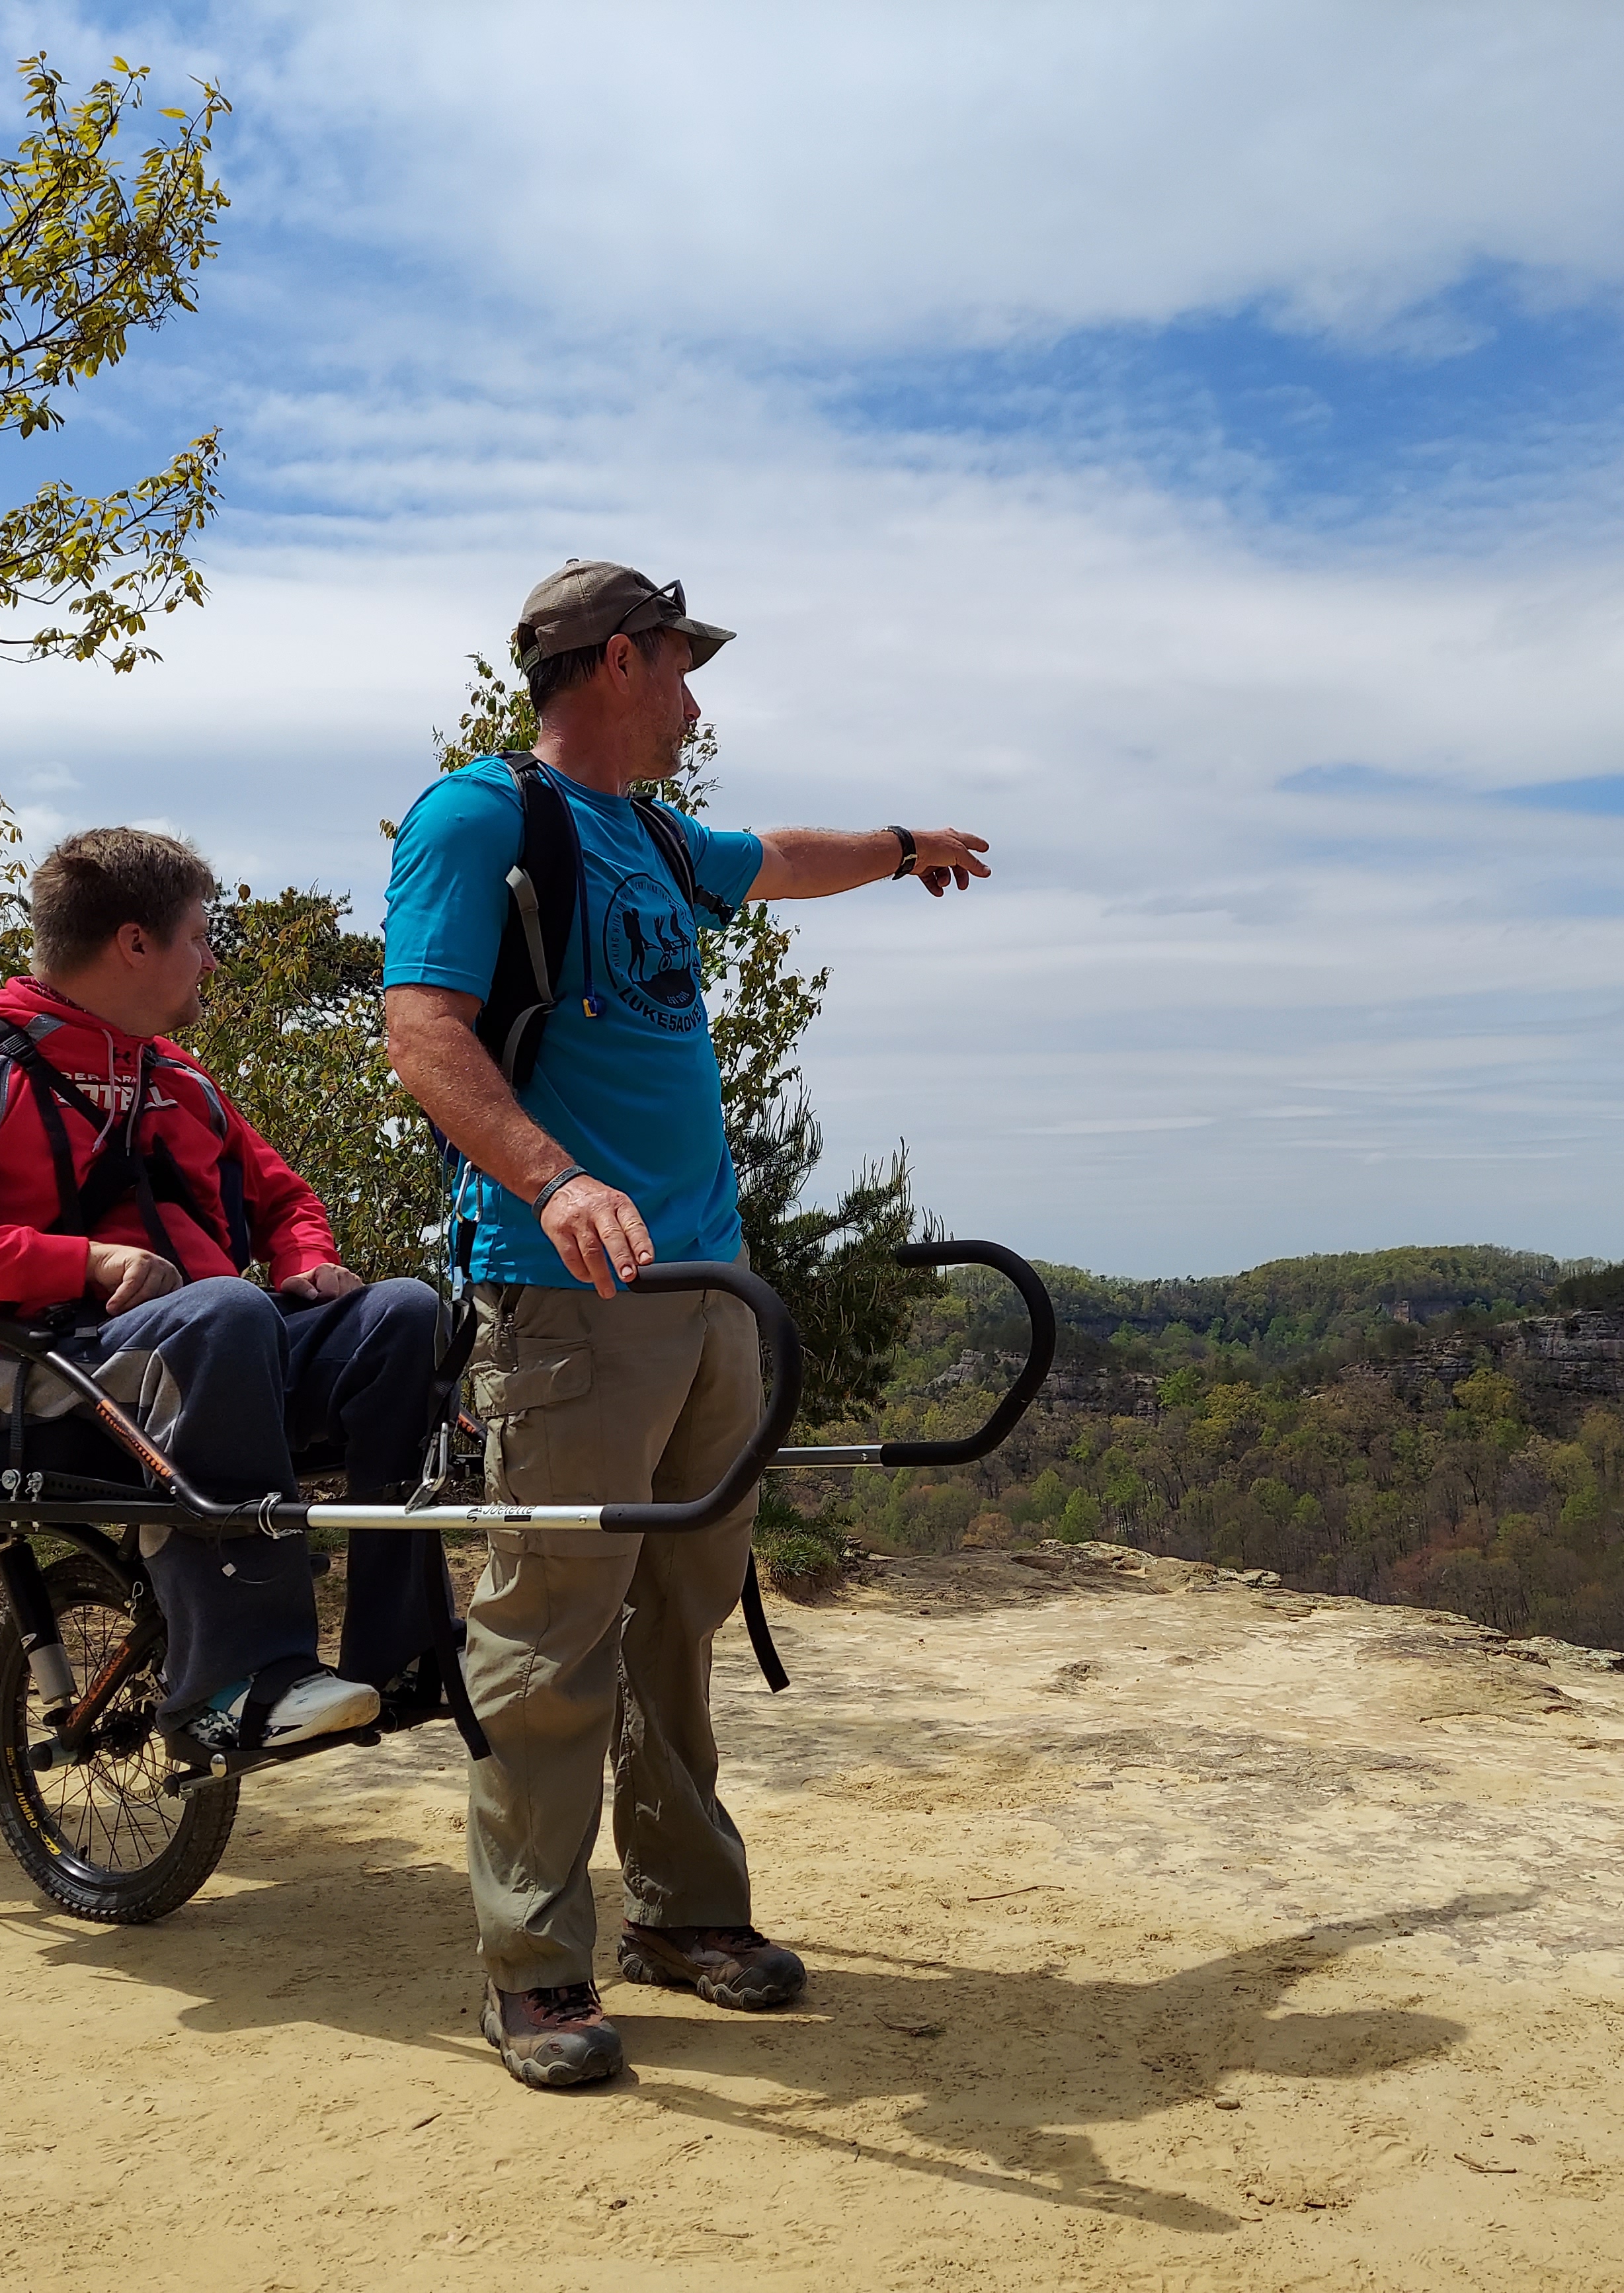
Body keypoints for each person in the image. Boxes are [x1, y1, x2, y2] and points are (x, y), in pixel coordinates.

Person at [384, 558, 991, 2088]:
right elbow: (422, 1026)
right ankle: (532, 1968)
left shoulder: (652, 835)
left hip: (709, 1294)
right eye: (679, 665)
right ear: (610, 662)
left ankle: (684, 1917)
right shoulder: (478, 817)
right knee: (549, 1633)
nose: (696, 699)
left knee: (682, 1623)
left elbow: (772, 856)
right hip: (569, 1296)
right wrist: (553, 1176)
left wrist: (904, 846)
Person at [0, 827, 445, 1754]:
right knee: (226, 1314)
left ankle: (400, 1654)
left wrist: (303, 1258)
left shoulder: (180, 1077)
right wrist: (80, 1263)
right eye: (199, 937)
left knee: (403, 1312)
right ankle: (236, 1685)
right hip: (35, 1374)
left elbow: (283, 1198)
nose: (210, 959)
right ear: (133, 942)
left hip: (211, 1355)